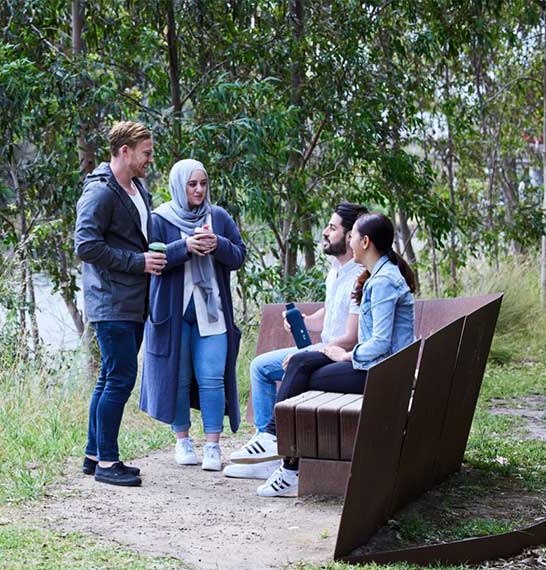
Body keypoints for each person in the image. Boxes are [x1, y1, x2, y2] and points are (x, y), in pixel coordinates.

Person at [254, 212, 417, 497]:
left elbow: (380, 343)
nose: (350, 241)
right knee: (302, 361)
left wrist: (345, 356)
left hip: (382, 373)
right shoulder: (379, 275)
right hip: (375, 367)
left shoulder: (383, 282)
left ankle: (286, 460)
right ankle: (273, 439)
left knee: (308, 376)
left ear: (365, 242)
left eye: (352, 235)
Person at [223, 202, 367, 479]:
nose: (325, 232)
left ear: (350, 236)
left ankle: (272, 441)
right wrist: (306, 319)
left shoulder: (359, 277)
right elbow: (331, 313)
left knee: (277, 367)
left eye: (332, 227)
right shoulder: (335, 271)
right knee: (260, 366)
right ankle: (265, 445)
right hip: (324, 348)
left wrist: (313, 351)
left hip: (339, 354)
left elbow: (352, 337)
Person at [75, 121, 166, 487]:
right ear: (124, 151)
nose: (150, 160)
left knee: (110, 377)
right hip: (110, 300)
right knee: (121, 378)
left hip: (132, 299)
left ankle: (95, 455)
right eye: (146, 153)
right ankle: (109, 464)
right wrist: (138, 262)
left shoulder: (136, 188)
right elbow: (85, 246)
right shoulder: (100, 193)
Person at [139, 159, 246, 471]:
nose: (199, 190)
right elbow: (152, 261)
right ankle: (182, 439)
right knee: (179, 376)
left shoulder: (219, 217)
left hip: (211, 311)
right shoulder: (159, 218)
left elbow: (239, 255)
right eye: (192, 184)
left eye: (203, 183)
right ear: (179, 186)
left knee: (212, 376)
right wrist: (185, 246)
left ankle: (213, 445)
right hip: (172, 313)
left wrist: (218, 244)